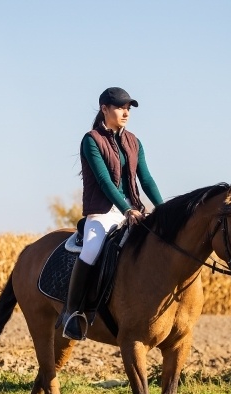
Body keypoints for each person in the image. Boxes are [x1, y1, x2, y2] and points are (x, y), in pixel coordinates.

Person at [62, 87, 165, 341]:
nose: (125, 112)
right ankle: (72, 313)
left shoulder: (134, 141)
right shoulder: (91, 140)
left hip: (134, 211)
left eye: (128, 108)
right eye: (120, 107)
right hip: (103, 212)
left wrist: (163, 209)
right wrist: (126, 208)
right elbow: (104, 180)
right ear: (104, 109)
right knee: (91, 249)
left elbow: (147, 179)